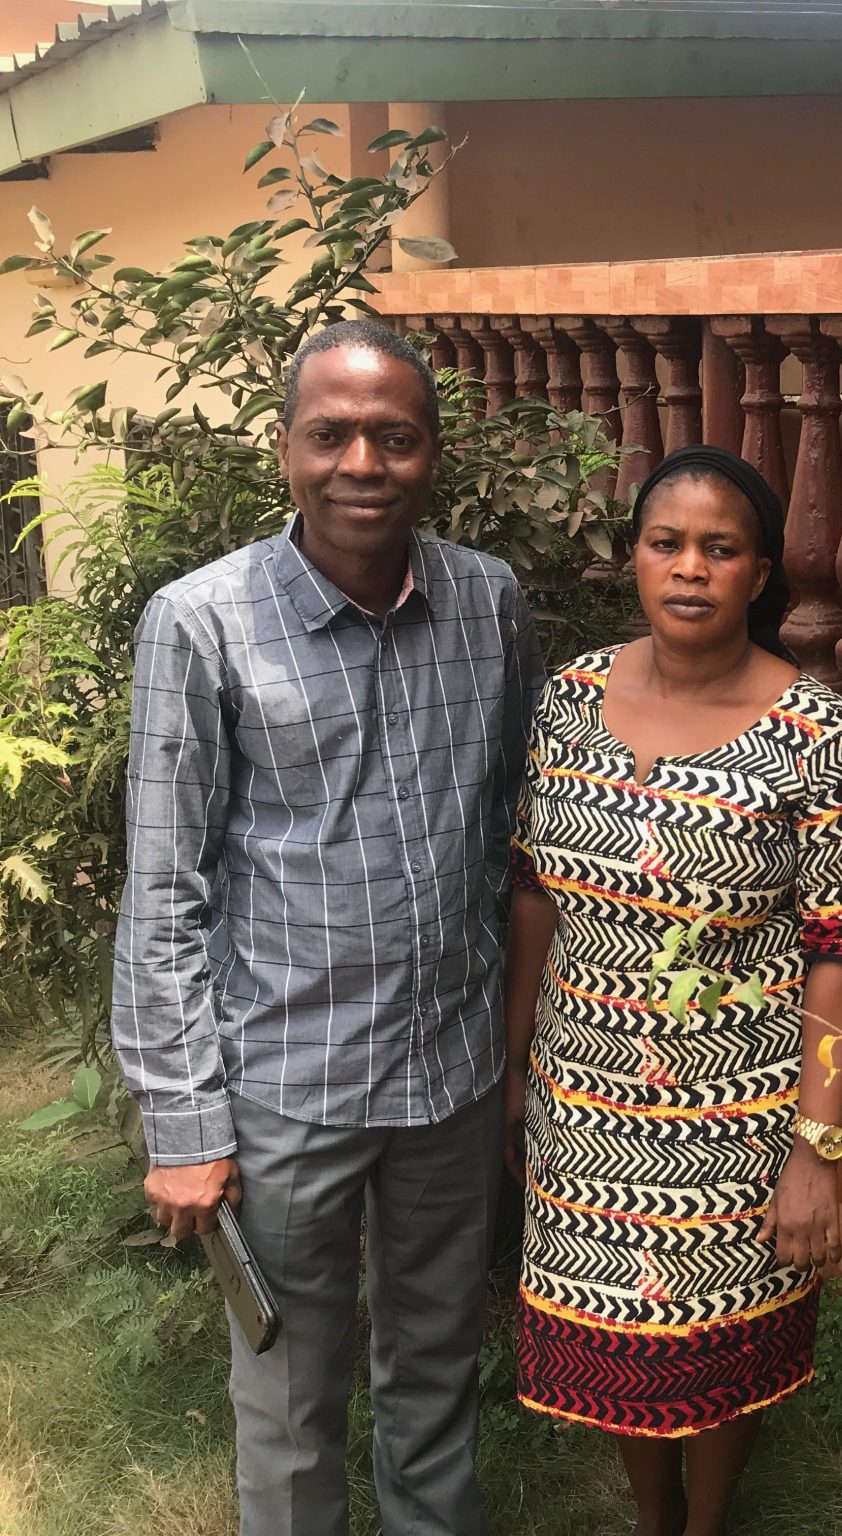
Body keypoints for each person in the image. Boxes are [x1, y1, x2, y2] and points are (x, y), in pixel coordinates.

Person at [111, 319, 545, 1536]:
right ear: (287, 450)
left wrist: (515, 1052)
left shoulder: (487, 601)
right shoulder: (201, 621)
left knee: (437, 1365)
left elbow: (510, 822)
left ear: (433, 453)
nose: (363, 462)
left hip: (451, 1071)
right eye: (332, 434)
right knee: (290, 1394)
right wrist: (185, 1126)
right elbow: (163, 888)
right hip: (286, 1080)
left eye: (394, 437)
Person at [503, 445, 842, 1536]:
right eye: (667, 543)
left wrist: (819, 1149)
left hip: (741, 1113)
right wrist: (515, 1066)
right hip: (584, 1100)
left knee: (721, 1345)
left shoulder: (821, 735)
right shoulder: (569, 701)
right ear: (636, 558)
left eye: (721, 548)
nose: (691, 568)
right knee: (614, 1339)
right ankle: (653, 1518)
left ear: (760, 573)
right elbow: (534, 891)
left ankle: (704, 1525)